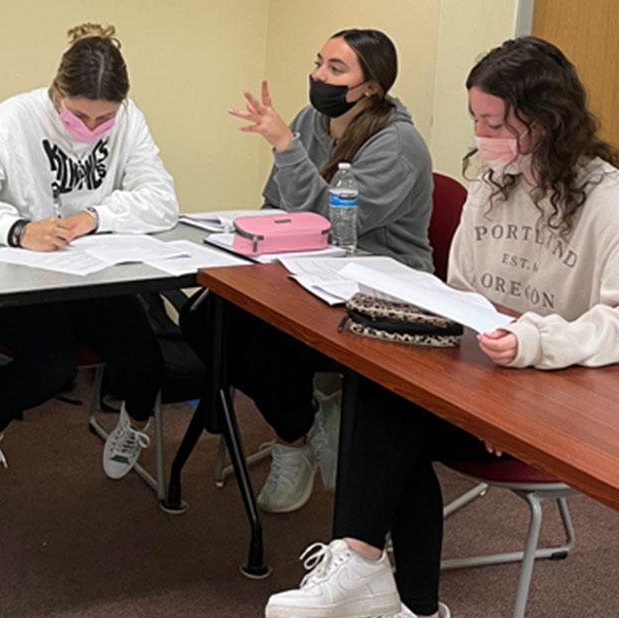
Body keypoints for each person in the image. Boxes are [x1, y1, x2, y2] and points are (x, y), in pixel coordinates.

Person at [264, 36, 619, 618]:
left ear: (544, 122)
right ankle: (380, 579)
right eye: (476, 120)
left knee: (391, 417)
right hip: (494, 376)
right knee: (383, 380)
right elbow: (463, 294)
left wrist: (534, 349)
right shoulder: (494, 182)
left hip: (566, 392)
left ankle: (393, 592)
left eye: (494, 123)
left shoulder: (610, 200)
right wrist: (473, 384)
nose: (481, 136)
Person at [181, 28, 433, 514]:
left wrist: (284, 144)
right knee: (203, 320)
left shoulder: (397, 144)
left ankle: (291, 440)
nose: (318, 76)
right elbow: (278, 202)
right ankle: (304, 427)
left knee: (273, 343)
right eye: (319, 62)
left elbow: (338, 225)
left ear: (372, 87)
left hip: (377, 278)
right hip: (307, 267)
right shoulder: (313, 119)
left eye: (336, 69)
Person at [0, 23, 178, 505]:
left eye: (103, 119)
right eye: (78, 116)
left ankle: (133, 428)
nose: (91, 130)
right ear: (56, 93)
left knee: (147, 363)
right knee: (52, 367)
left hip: (89, 276)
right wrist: (17, 230)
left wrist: (96, 216)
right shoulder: (15, 117)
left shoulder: (129, 119)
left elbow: (162, 201)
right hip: (19, 277)